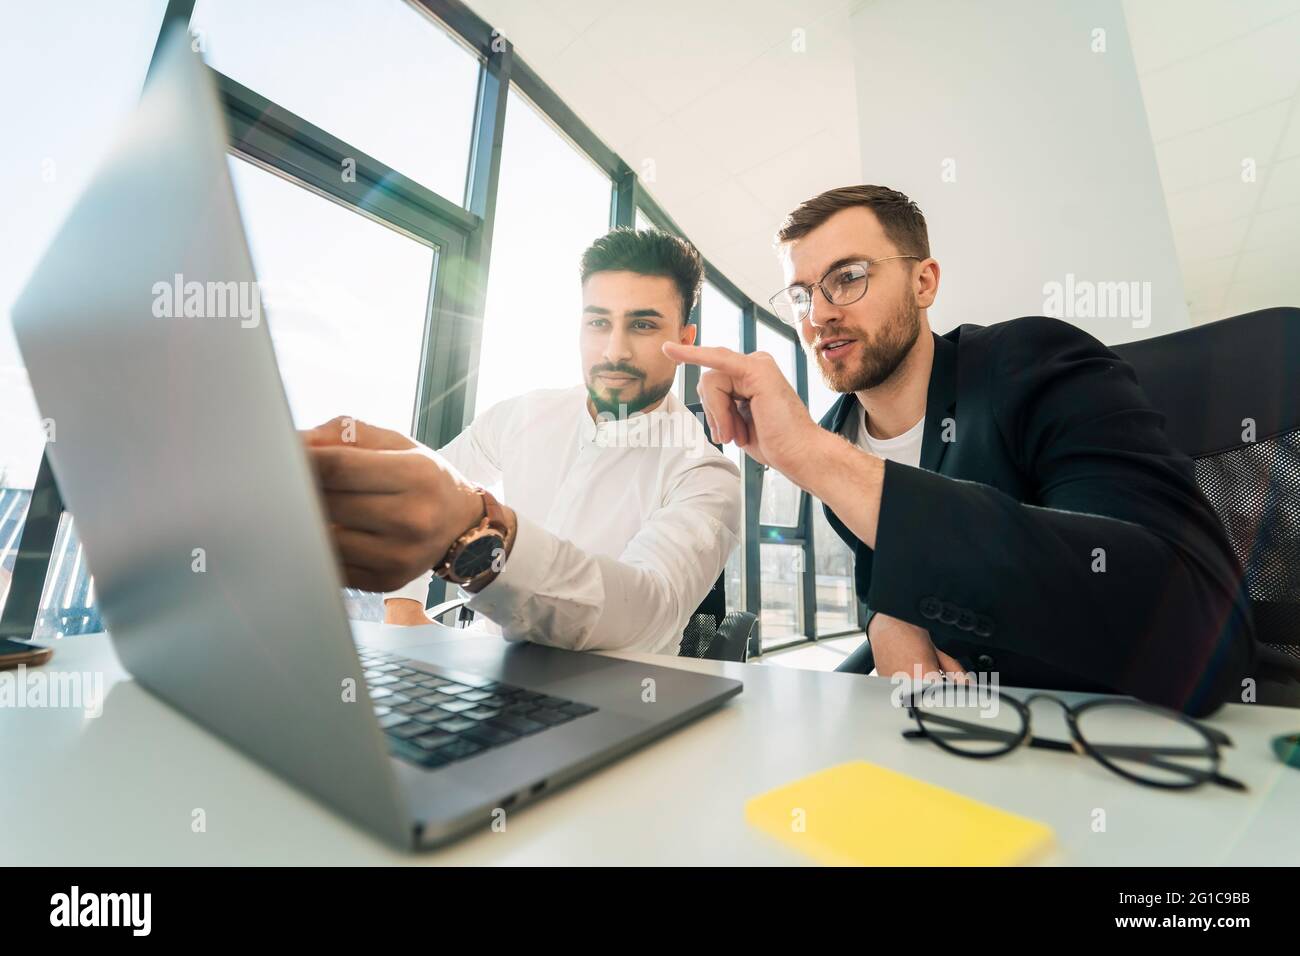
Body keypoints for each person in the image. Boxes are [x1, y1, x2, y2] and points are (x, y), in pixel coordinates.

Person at [665, 185, 1255, 717]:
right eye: (799, 296)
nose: (818, 314)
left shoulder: (1031, 362)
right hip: (959, 746)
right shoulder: (841, 432)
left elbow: (1193, 623)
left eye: (848, 276)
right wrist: (886, 618)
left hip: (1119, 734)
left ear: (924, 282)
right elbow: (895, 581)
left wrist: (815, 460)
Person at [305, 228, 741, 654]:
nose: (614, 350)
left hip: (621, 697)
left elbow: (647, 613)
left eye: (643, 324)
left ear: (685, 340)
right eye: (598, 322)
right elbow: (420, 490)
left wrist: (486, 529)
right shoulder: (523, 415)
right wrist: (403, 611)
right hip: (489, 679)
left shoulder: (705, 473)